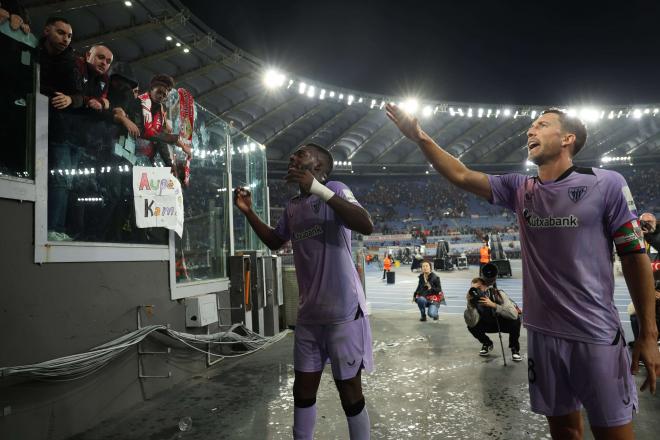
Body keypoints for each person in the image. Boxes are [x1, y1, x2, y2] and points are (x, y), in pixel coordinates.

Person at [387, 103, 659, 439]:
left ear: (567, 138)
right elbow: (460, 174)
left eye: (542, 125)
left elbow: (634, 257)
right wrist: (420, 137)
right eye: (531, 126)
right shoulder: (520, 189)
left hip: (596, 335)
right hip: (543, 334)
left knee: (613, 433)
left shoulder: (606, 184)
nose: (530, 130)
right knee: (564, 431)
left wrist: (647, 334)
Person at [234, 142, 374, 440]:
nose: (292, 157)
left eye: (301, 154)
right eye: (293, 153)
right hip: (309, 316)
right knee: (302, 390)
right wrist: (248, 212)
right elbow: (275, 241)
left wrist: (319, 189)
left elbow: (365, 224)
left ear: (319, 166)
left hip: (343, 313)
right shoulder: (293, 207)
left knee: (349, 392)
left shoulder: (334, 188)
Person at [464, 276, 521, 361]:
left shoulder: (498, 294)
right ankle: (487, 343)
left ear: (485, 286)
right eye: (474, 289)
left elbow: (513, 314)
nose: (477, 291)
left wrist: (493, 305)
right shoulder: (474, 300)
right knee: (471, 327)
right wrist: (470, 304)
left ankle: (514, 348)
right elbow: (472, 322)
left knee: (516, 321)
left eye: (479, 288)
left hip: (503, 322)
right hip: (488, 323)